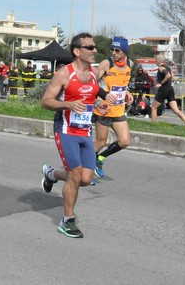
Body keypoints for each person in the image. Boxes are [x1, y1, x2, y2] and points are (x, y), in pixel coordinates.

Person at [40, 33, 110, 238]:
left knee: (86, 179)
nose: (94, 50)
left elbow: (90, 97)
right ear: (77, 51)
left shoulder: (94, 74)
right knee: (75, 175)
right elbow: (46, 101)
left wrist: (99, 105)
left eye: (94, 47)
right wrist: (68, 104)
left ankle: (51, 174)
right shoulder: (64, 74)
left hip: (85, 130)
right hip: (65, 130)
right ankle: (67, 220)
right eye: (89, 47)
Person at [93, 36, 134, 178]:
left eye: (117, 50)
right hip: (103, 109)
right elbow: (92, 83)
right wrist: (101, 98)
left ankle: (100, 158)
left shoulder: (130, 64)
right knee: (101, 142)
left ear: (124, 51)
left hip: (118, 110)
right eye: (112, 49)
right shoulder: (106, 63)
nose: (114, 52)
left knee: (125, 141)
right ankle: (84, 168)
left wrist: (127, 93)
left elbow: (123, 83)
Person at [150, 57, 185, 126]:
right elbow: (173, 77)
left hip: (164, 89)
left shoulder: (161, 68)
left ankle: (153, 124)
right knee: (175, 109)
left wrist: (161, 83)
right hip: (170, 89)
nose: (155, 62)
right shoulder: (168, 67)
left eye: (155, 61)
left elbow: (168, 75)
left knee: (154, 107)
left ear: (158, 60)